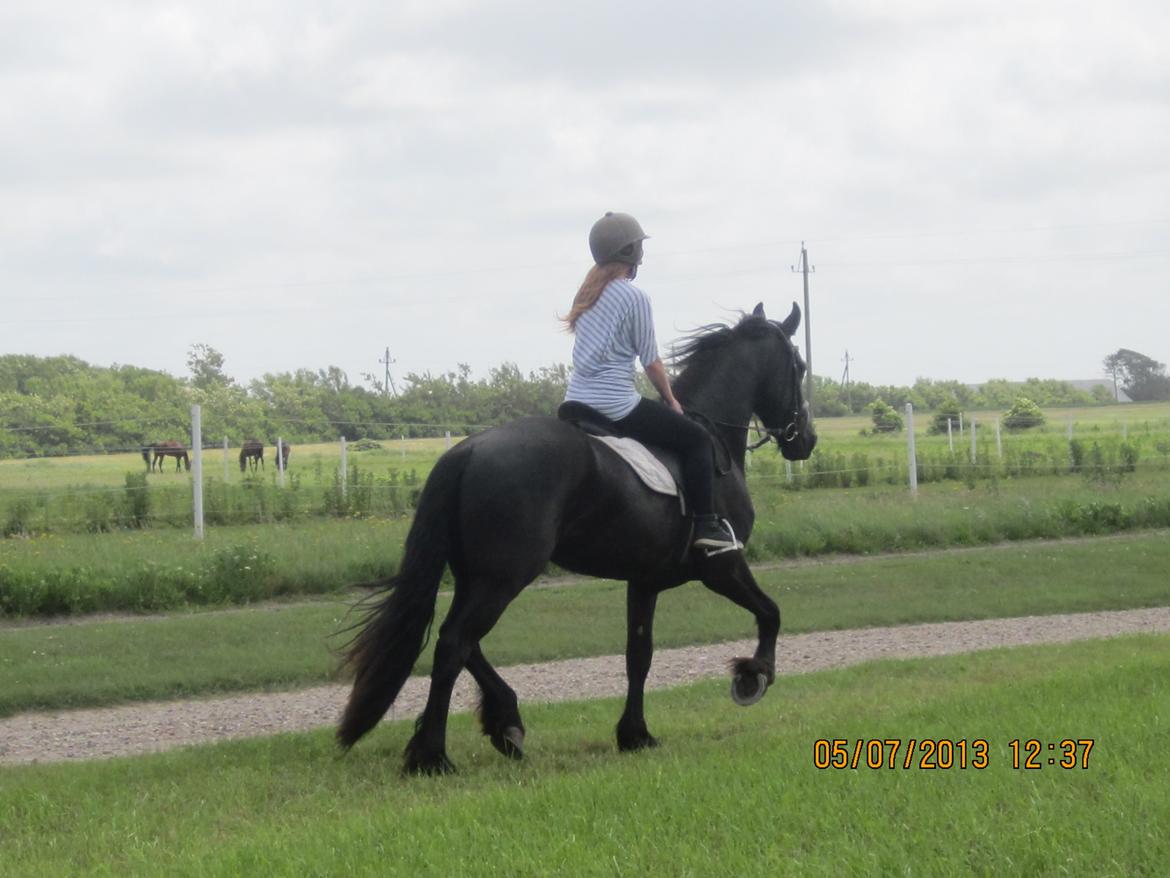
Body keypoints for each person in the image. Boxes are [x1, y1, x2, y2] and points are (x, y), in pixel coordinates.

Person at [562, 211, 738, 553]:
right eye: (639, 246)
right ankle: (707, 525)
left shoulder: (586, 295)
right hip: (614, 405)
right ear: (630, 252)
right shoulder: (633, 297)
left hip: (574, 402)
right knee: (697, 441)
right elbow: (651, 363)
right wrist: (671, 400)